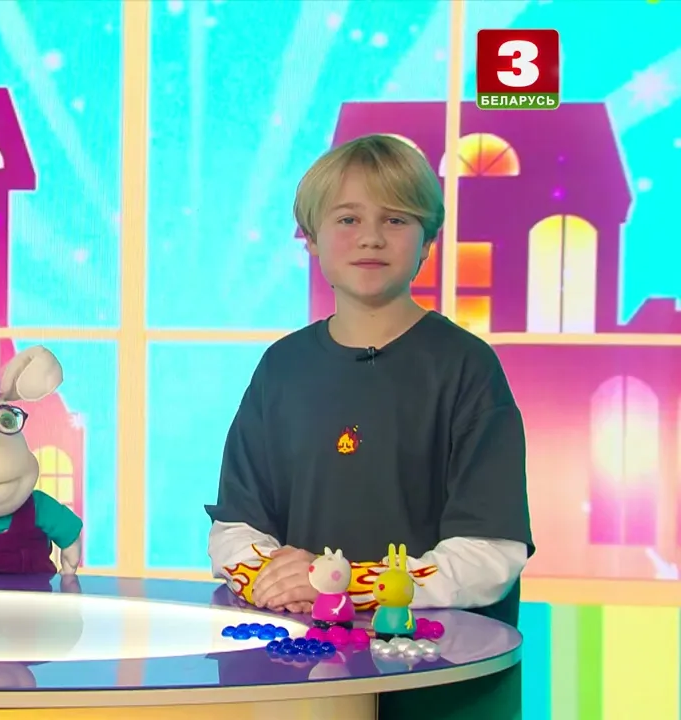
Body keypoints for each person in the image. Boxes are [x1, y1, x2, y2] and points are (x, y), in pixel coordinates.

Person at [205, 134, 534, 718]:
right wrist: (272, 578)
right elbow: (236, 526)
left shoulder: (466, 367)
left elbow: (490, 553)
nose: (371, 237)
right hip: (307, 679)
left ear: (428, 241)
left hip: (440, 680)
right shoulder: (283, 367)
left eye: (396, 219)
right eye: (348, 218)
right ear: (310, 239)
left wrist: (339, 582)